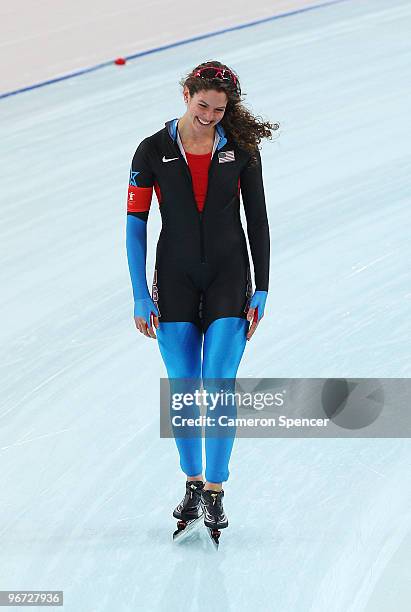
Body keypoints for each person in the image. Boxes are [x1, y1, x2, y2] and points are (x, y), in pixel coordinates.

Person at [126, 60, 278, 531]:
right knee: (184, 390)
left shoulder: (242, 150)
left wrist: (263, 287)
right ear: (187, 94)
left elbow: (258, 220)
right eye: (203, 105)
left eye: (219, 108)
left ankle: (216, 489)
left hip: (230, 278)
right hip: (173, 279)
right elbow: (135, 226)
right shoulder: (151, 150)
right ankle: (193, 484)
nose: (210, 115)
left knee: (218, 385)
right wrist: (138, 295)